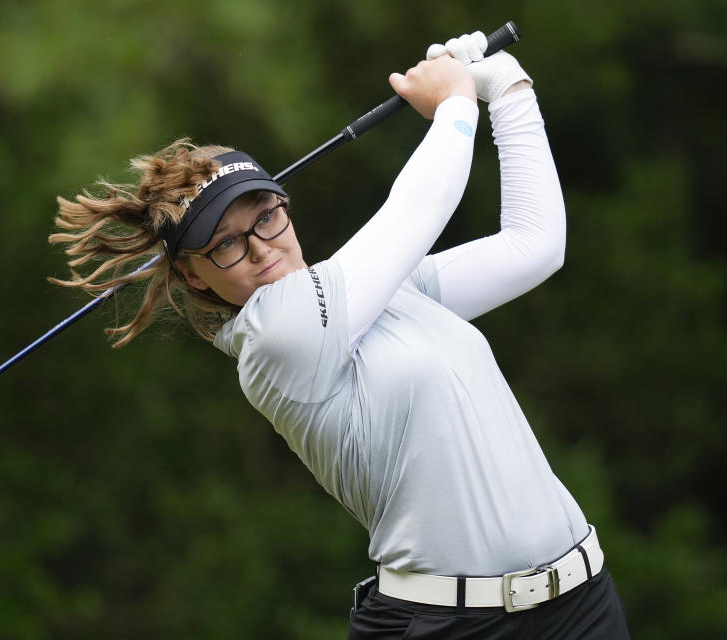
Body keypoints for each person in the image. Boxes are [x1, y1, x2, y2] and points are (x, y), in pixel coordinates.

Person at [49, 32, 630, 639]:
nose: (259, 248)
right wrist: (456, 102)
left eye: (265, 215)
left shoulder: (380, 294)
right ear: (192, 276)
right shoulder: (275, 339)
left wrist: (506, 87)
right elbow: (419, 205)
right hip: (454, 628)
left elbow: (534, 247)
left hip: (583, 608)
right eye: (224, 242)